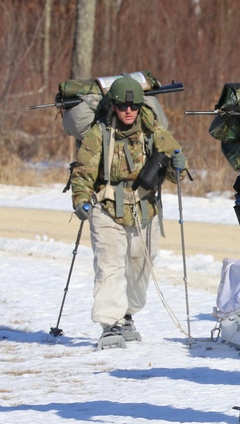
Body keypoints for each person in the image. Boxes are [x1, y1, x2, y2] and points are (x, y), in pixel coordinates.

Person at [70, 76, 186, 349]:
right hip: (107, 208)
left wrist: (178, 164)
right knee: (109, 265)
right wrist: (81, 200)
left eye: (133, 106)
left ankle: (127, 314)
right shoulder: (99, 133)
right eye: (123, 106)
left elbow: (172, 159)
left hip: (144, 209)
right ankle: (110, 325)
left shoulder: (152, 129)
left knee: (140, 265)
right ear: (114, 105)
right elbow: (83, 171)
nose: (128, 111)